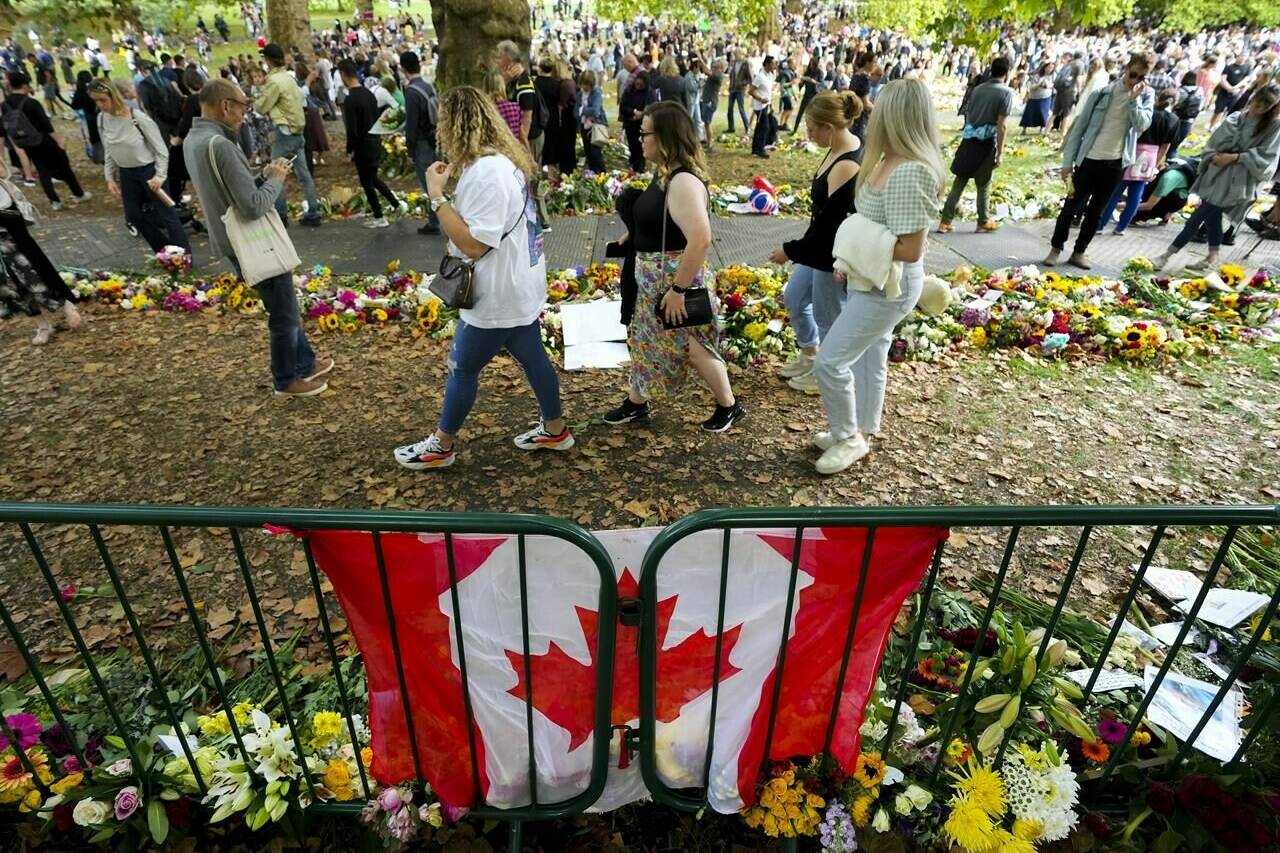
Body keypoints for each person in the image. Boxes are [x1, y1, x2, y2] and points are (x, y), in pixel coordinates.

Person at [394, 86, 570, 471]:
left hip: (496, 292)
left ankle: (442, 445)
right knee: (532, 355)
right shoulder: (498, 162)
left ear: (455, 125)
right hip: (516, 284)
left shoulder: (487, 172)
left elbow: (475, 245)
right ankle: (555, 428)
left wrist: (437, 198)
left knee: (462, 365)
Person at [812, 79, 942, 475]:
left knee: (830, 361)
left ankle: (849, 436)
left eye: (881, 107)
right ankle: (860, 431)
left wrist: (850, 243)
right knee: (870, 357)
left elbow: (909, 249)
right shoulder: (887, 159)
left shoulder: (909, 172)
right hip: (872, 279)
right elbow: (878, 228)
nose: (873, 112)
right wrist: (850, 260)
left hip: (889, 285)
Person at [602, 101, 745, 433]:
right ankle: (636, 404)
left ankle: (729, 405)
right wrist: (633, 234)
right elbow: (661, 218)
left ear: (665, 137)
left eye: (645, 133)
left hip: (675, 281)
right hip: (655, 280)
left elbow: (700, 239)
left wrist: (678, 290)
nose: (639, 139)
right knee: (646, 339)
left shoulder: (683, 182)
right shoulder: (665, 173)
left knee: (692, 346)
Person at [184, 78, 330, 397]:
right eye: (243, 106)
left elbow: (228, 189)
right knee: (283, 312)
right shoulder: (221, 144)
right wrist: (275, 180)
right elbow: (253, 207)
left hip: (228, 238)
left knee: (282, 304)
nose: (244, 114)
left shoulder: (194, 139)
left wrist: (260, 176)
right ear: (226, 106)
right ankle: (286, 379)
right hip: (250, 241)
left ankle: (304, 362)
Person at [770, 91, 861, 394]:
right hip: (818, 247)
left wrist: (789, 250)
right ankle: (810, 355)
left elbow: (829, 228)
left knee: (828, 316)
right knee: (795, 297)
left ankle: (827, 371)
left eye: (811, 129)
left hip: (831, 253)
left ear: (829, 128)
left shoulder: (847, 164)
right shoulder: (834, 149)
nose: (808, 134)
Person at [1044, 52, 1155, 270]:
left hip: (1115, 164)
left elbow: (1142, 125)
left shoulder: (1146, 96)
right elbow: (1080, 128)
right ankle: (1056, 248)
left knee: (1096, 212)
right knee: (1071, 207)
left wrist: (1134, 101)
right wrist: (1068, 163)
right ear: (1126, 69)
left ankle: (1079, 252)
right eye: (1133, 74)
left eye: (1141, 77)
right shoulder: (1103, 93)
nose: (1135, 80)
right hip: (1089, 160)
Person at [1154, 83, 1280, 272]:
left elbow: (1267, 155)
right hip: (1218, 173)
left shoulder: (1273, 126)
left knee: (1197, 217)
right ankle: (1212, 256)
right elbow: (1216, 140)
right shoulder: (1238, 117)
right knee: (1212, 217)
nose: (1258, 109)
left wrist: (1235, 157)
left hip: (1237, 180)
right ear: (1253, 98)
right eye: (1256, 103)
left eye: (1264, 107)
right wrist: (1215, 156)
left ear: (1271, 108)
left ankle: (1166, 255)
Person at [89, 79, 190, 255]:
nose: (100, 105)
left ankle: (184, 255)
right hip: (126, 173)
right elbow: (109, 149)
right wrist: (109, 177)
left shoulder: (138, 118)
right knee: (134, 215)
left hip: (149, 171)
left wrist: (160, 175)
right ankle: (164, 251)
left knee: (167, 215)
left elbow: (161, 150)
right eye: (96, 100)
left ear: (113, 95)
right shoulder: (101, 119)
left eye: (103, 100)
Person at [0, 164, 81, 345]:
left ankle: (65, 303)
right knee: (10, 281)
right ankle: (42, 324)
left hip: (7, 216)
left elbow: (3, 172)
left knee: (34, 267)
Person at [938, 55, 1013, 234]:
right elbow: (1002, 125)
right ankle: (983, 220)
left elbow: (969, 113)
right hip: (986, 142)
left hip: (969, 138)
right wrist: (1000, 152)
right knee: (984, 183)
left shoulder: (978, 89)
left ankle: (945, 221)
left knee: (960, 180)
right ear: (1007, 72)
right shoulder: (1006, 93)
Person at [1, 72, 91, 211]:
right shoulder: (31, 102)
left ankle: (55, 201)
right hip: (43, 140)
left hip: (25, 142)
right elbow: (46, 125)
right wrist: (59, 141)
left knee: (42, 170)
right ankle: (78, 194)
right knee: (64, 166)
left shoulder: (5, 104)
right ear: (25, 85)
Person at [1098, 87, 1179, 236]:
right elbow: (1165, 147)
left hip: (1134, 150)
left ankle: (1101, 224)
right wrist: (1155, 165)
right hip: (1151, 156)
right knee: (1136, 193)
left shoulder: (1149, 113)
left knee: (1116, 191)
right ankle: (1122, 227)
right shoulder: (1174, 120)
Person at [256, 44, 322, 227]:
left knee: (275, 173)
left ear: (268, 60)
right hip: (298, 131)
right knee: (304, 174)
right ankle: (314, 211)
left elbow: (261, 107)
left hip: (284, 132)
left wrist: (257, 97)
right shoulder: (289, 78)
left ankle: (281, 214)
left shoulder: (274, 81)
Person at [338, 58, 405, 229]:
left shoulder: (351, 99)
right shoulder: (369, 94)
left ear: (343, 75)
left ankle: (379, 215)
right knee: (373, 178)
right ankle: (396, 204)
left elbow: (351, 129)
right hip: (374, 139)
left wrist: (349, 150)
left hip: (362, 144)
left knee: (367, 181)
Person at [401, 49, 441, 235]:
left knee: (428, 185)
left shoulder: (411, 92)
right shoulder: (428, 87)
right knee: (435, 180)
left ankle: (435, 221)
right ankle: (437, 218)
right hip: (432, 137)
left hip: (421, 142)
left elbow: (412, 124)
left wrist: (409, 150)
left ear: (403, 69)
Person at [620, 69, 651, 172]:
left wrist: (642, 114)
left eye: (641, 85)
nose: (638, 87)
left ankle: (640, 170)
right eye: (637, 84)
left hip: (643, 127)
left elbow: (652, 108)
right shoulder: (629, 91)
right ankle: (634, 166)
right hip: (630, 124)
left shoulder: (649, 93)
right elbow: (623, 107)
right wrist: (634, 111)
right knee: (633, 148)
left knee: (641, 150)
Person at [577, 69, 607, 173]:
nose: (585, 87)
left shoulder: (596, 93)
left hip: (595, 126)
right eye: (583, 84)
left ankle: (603, 173)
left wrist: (582, 110)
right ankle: (592, 173)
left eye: (587, 85)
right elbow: (575, 111)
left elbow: (595, 110)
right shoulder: (580, 95)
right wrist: (580, 111)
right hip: (584, 126)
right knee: (588, 153)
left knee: (596, 154)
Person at [70, 71, 103, 164]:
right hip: (100, 114)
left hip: (89, 117)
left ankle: (98, 157)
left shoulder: (79, 92)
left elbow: (74, 105)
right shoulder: (96, 88)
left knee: (94, 138)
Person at [1170, 70, 1204, 158]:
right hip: (1189, 121)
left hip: (1176, 120)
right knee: (1175, 147)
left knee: (1168, 145)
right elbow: (1201, 106)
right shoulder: (1200, 91)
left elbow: (1173, 105)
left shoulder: (1181, 91)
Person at [481, 69, 523, 139]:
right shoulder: (515, 108)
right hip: (513, 147)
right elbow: (522, 135)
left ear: (485, 86)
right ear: (502, 86)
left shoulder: (484, 110)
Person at [749, 55, 776, 158]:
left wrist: (771, 105)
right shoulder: (760, 77)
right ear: (768, 64)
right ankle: (760, 149)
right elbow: (751, 91)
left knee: (760, 127)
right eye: (773, 64)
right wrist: (760, 98)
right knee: (764, 127)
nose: (774, 66)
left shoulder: (769, 75)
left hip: (766, 105)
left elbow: (769, 92)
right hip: (759, 105)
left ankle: (756, 148)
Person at [1050, 50, 1083, 134]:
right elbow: (1078, 79)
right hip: (1070, 90)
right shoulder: (1079, 64)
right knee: (1067, 113)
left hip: (1061, 88)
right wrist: (1079, 91)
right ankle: (1063, 133)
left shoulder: (1069, 63)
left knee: (1055, 112)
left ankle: (1046, 131)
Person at [1020, 60, 1054, 135]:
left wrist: (1049, 86)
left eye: (1051, 68)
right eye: (1049, 67)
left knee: (1043, 113)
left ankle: (1042, 129)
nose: (1050, 69)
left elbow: (1053, 85)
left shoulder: (1052, 76)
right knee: (1029, 114)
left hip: (1045, 96)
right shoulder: (1036, 76)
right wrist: (1039, 85)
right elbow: (1031, 87)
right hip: (1034, 97)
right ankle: (1024, 129)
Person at [700, 58, 725, 151]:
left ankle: (710, 143)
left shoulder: (718, 74)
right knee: (707, 123)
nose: (715, 62)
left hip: (711, 101)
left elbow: (706, 71)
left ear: (721, 66)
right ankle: (708, 141)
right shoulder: (715, 72)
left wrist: (699, 57)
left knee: (707, 123)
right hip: (708, 100)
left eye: (718, 61)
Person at [793, 55, 822, 132]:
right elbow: (802, 84)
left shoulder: (819, 72)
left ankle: (812, 131)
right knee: (800, 112)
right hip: (807, 94)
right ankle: (794, 129)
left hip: (814, 95)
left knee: (811, 115)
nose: (811, 66)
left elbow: (821, 84)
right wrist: (801, 83)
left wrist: (813, 81)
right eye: (811, 64)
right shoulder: (808, 71)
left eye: (813, 64)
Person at [727, 49, 752, 134]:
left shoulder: (746, 64)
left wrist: (742, 83)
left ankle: (747, 127)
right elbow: (731, 75)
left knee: (741, 109)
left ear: (741, 54)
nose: (735, 56)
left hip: (740, 90)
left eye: (736, 54)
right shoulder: (733, 63)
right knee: (730, 109)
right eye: (734, 54)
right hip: (732, 89)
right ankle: (731, 127)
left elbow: (749, 78)